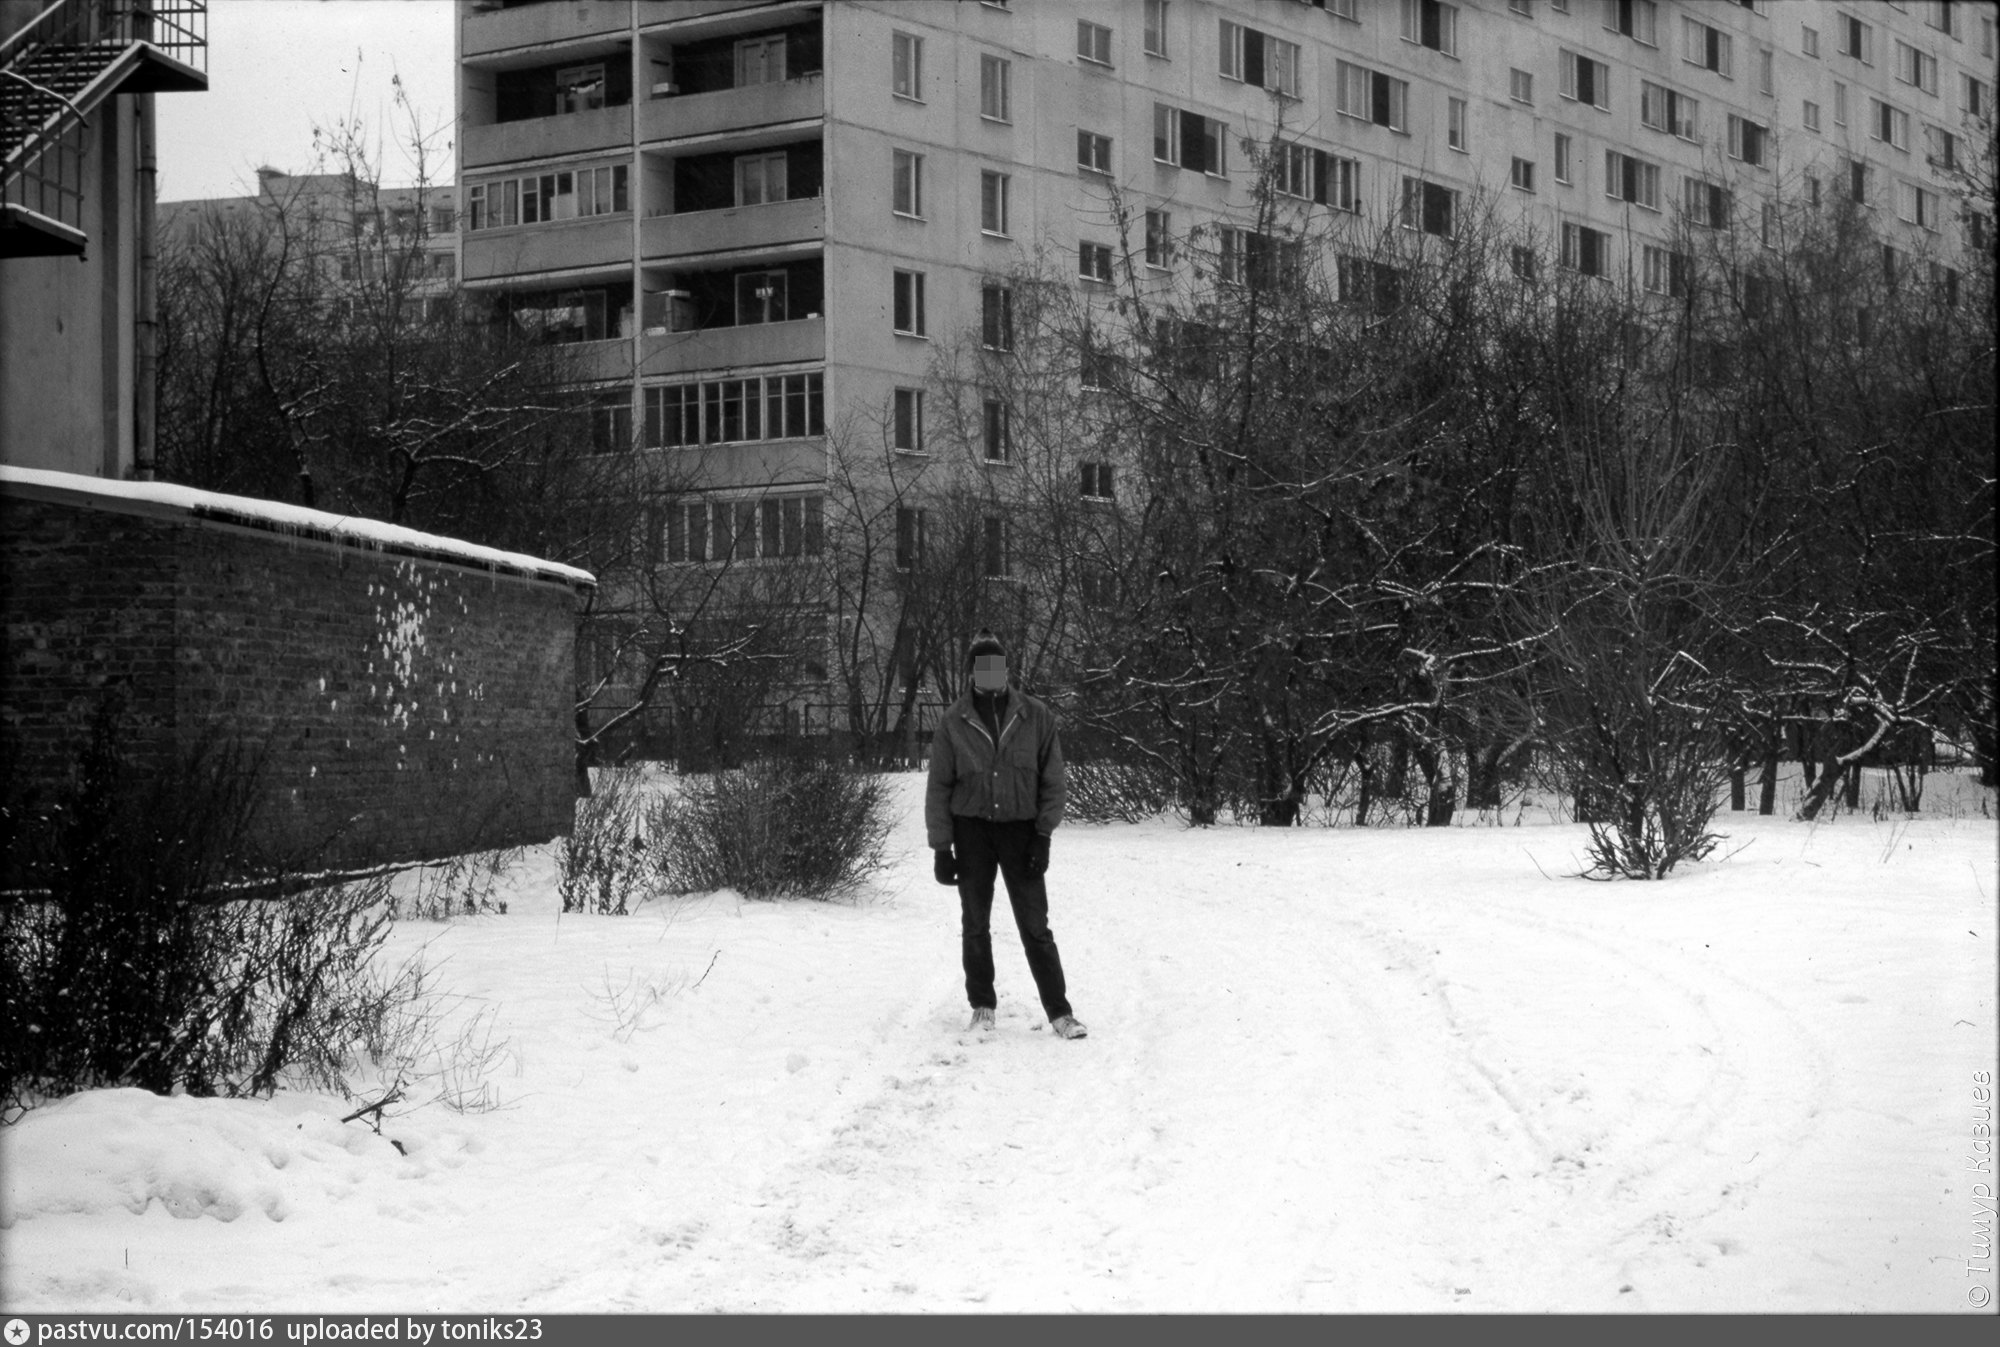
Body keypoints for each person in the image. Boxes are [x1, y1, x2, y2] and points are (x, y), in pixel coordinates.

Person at [926, 629, 1086, 1040]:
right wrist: (942, 847)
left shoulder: (1036, 716)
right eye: (983, 666)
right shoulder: (953, 722)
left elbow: (1053, 782)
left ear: (1008, 670)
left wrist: (1043, 835)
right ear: (972, 673)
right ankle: (982, 1007)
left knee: (1035, 924)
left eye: (997, 665)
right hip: (972, 831)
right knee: (975, 921)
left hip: (1021, 832)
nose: (990, 673)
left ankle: (1060, 1012)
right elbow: (939, 786)